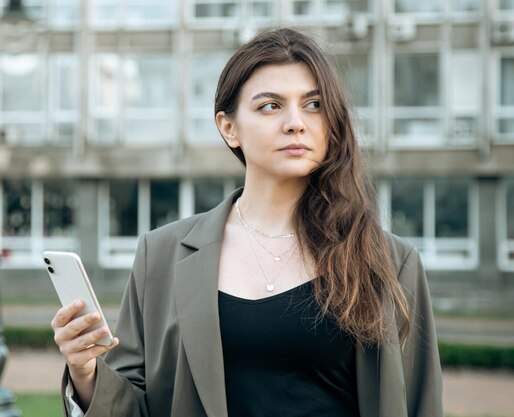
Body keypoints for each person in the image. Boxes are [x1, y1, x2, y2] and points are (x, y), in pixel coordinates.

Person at [50, 27, 443, 417]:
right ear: (229, 127)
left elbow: (420, 404)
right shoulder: (161, 255)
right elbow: (136, 407)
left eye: (313, 104)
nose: (295, 122)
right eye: (270, 106)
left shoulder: (390, 262)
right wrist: (85, 372)